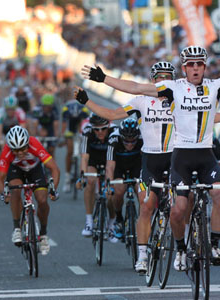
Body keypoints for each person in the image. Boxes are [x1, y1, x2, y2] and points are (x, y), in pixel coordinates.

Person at [80, 45, 220, 271]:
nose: (195, 68)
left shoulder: (215, 86)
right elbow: (135, 87)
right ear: (184, 68)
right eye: (191, 64)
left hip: (204, 155)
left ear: (204, 67)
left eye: (199, 64)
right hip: (174, 157)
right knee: (165, 207)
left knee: (219, 195)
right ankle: (166, 251)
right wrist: (104, 78)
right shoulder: (171, 89)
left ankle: (212, 244)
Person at [75, 61, 176, 273]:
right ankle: (142, 254)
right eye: (159, 77)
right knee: (146, 206)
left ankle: (184, 248)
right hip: (150, 158)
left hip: (176, 158)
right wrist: (87, 101)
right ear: (152, 80)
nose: (163, 81)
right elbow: (112, 115)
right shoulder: (140, 101)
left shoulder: (181, 99)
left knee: (186, 203)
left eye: (168, 77)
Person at [0, 126, 60, 255]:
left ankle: (43, 234)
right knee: (15, 191)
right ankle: (17, 228)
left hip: (35, 170)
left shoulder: (34, 143)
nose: (19, 153)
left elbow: (55, 169)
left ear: (27, 144)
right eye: (16, 150)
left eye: (23, 148)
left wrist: (53, 189)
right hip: (16, 170)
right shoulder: (6, 151)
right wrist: (4, 193)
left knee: (42, 200)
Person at [77, 114, 117, 239]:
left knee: (110, 193)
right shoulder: (87, 131)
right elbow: (84, 157)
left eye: (103, 129)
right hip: (93, 160)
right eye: (96, 129)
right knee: (90, 181)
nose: (100, 132)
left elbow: (114, 161)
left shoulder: (115, 132)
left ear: (109, 126)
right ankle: (89, 221)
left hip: (109, 160)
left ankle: (112, 221)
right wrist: (82, 176)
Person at [106, 118, 143, 242]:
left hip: (136, 166)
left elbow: (149, 161)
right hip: (119, 167)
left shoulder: (143, 137)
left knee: (142, 193)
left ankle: (142, 220)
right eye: (126, 141)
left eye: (133, 141)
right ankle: (118, 218)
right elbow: (110, 166)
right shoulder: (113, 139)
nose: (130, 144)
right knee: (118, 191)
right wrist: (109, 185)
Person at [61, 97, 90, 192]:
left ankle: (82, 172)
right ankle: (67, 178)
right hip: (70, 128)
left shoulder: (84, 111)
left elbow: (85, 124)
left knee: (84, 151)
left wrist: (83, 135)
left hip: (79, 126)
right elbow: (64, 125)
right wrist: (63, 137)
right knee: (69, 151)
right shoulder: (66, 110)